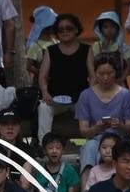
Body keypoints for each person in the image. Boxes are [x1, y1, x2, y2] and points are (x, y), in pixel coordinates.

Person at [75, 55, 130, 173]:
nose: (105, 77)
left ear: (116, 73)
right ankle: (86, 189)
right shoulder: (86, 96)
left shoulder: (126, 95)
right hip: (96, 139)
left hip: (119, 139)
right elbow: (83, 130)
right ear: (95, 73)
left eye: (110, 73)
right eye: (101, 74)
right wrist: (96, 128)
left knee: (111, 151)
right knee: (89, 149)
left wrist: (119, 125)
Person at [36, 13, 91, 142]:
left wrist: (89, 96)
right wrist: (45, 93)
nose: (65, 31)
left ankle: (95, 144)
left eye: (69, 28)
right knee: (43, 107)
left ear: (76, 29)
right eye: (60, 30)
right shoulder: (51, 50)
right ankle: (44, 145)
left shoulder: (87, 50)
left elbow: (92, 76)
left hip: (79, 100)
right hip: (55, 99)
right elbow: (42, 76)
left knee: (93, 106)